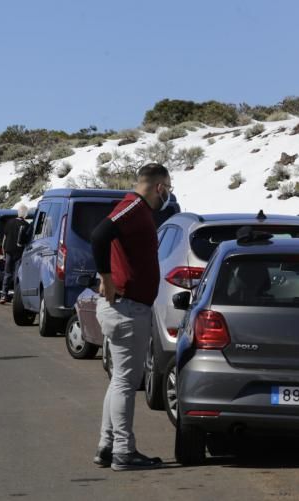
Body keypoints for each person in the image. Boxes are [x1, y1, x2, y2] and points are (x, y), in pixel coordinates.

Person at [90, 162, 172, 471]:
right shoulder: (133, 208)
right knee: (126, 381)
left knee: (119, 380)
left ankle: (107, 445)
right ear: (158, 187)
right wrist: (107, 277)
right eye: (168, 188)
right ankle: (124, 450)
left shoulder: (136, 211)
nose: (167, 195)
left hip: (126, 306)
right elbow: (99, 235)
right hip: (127, 307)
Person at [0, 205, 29, 304]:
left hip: (8, 252)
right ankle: (16, 298)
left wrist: (3, 251)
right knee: (17, 275)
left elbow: (4, 239)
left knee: (7, 274)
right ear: (25, 214)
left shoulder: (9, 223)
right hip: (19, 253)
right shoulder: (27, 225)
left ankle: (4, 295)